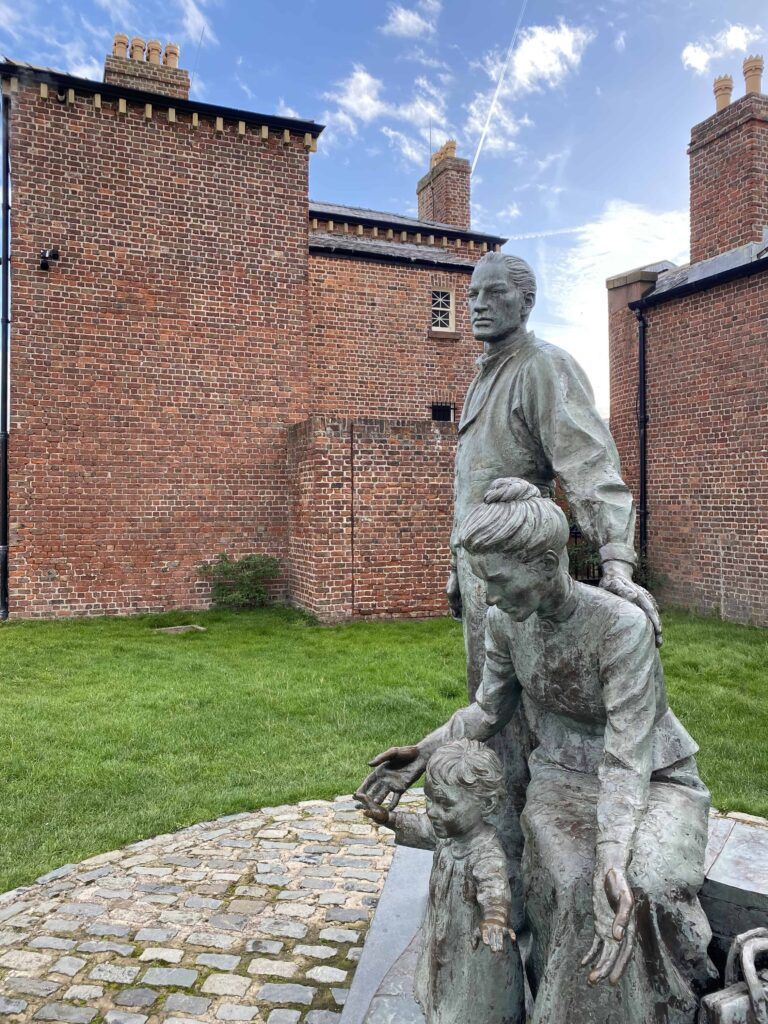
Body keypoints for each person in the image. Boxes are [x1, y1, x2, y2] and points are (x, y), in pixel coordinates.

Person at [357, 478, 716, 1024]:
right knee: (574, 881)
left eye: (498, 581)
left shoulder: (622, 628)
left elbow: (626, 757)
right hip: (562, 776)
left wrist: (614, 855)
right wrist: (424, 755)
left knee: (636, 885)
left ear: (547, 563)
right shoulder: (505, 623)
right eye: (485, 584)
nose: (491, 598)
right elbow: (486, 710)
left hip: (654, 777)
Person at [447, 251, 661, 926]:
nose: (478, 304)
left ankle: (534, 878)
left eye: (494, 293)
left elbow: (591, 464)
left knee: (523, 726)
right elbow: (474, 485)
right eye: (473, 293)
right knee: (492, 716)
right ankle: (498, 860)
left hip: (522, 586)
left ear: (524, 302)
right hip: (488, 584)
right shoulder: (485, 379)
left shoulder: (542, 368)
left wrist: (617, 560)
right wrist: (459, 568)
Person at [360, 739, 524, 1024]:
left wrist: (495, 918)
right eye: (429, 799)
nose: (433, 811)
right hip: (445, 933)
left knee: (466, 992)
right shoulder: (448, 834)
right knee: (440, 975)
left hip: (469, 941)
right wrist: (388, 818)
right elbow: (419, 827)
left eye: (444, 804)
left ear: (486, 805)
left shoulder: (485, 852)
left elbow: (494, 888)